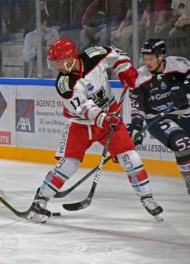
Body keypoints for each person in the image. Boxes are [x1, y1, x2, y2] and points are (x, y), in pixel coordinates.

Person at [26, 38, 163, 223]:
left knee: (132, 158)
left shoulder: (95, 55)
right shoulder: (65, 84)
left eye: (59, 62)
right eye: (54, 63)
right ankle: (40, 201)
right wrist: (103, 117)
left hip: (111, 119)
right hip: (80, 125)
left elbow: (118, 54)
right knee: (69, 164)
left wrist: (125, 71)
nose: (57, 67)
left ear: (71, 57)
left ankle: (147, 198)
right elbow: (83, 108)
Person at [128, 39, 190, 194]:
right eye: (145, 58)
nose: (147, 62)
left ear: (161, 56)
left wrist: (184, 91)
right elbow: (138, 109)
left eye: (151, 58)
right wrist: (136, 127)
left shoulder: (180, 65)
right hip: (158, 118)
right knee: (181, 142)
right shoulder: (140, 79)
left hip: (184, 112)